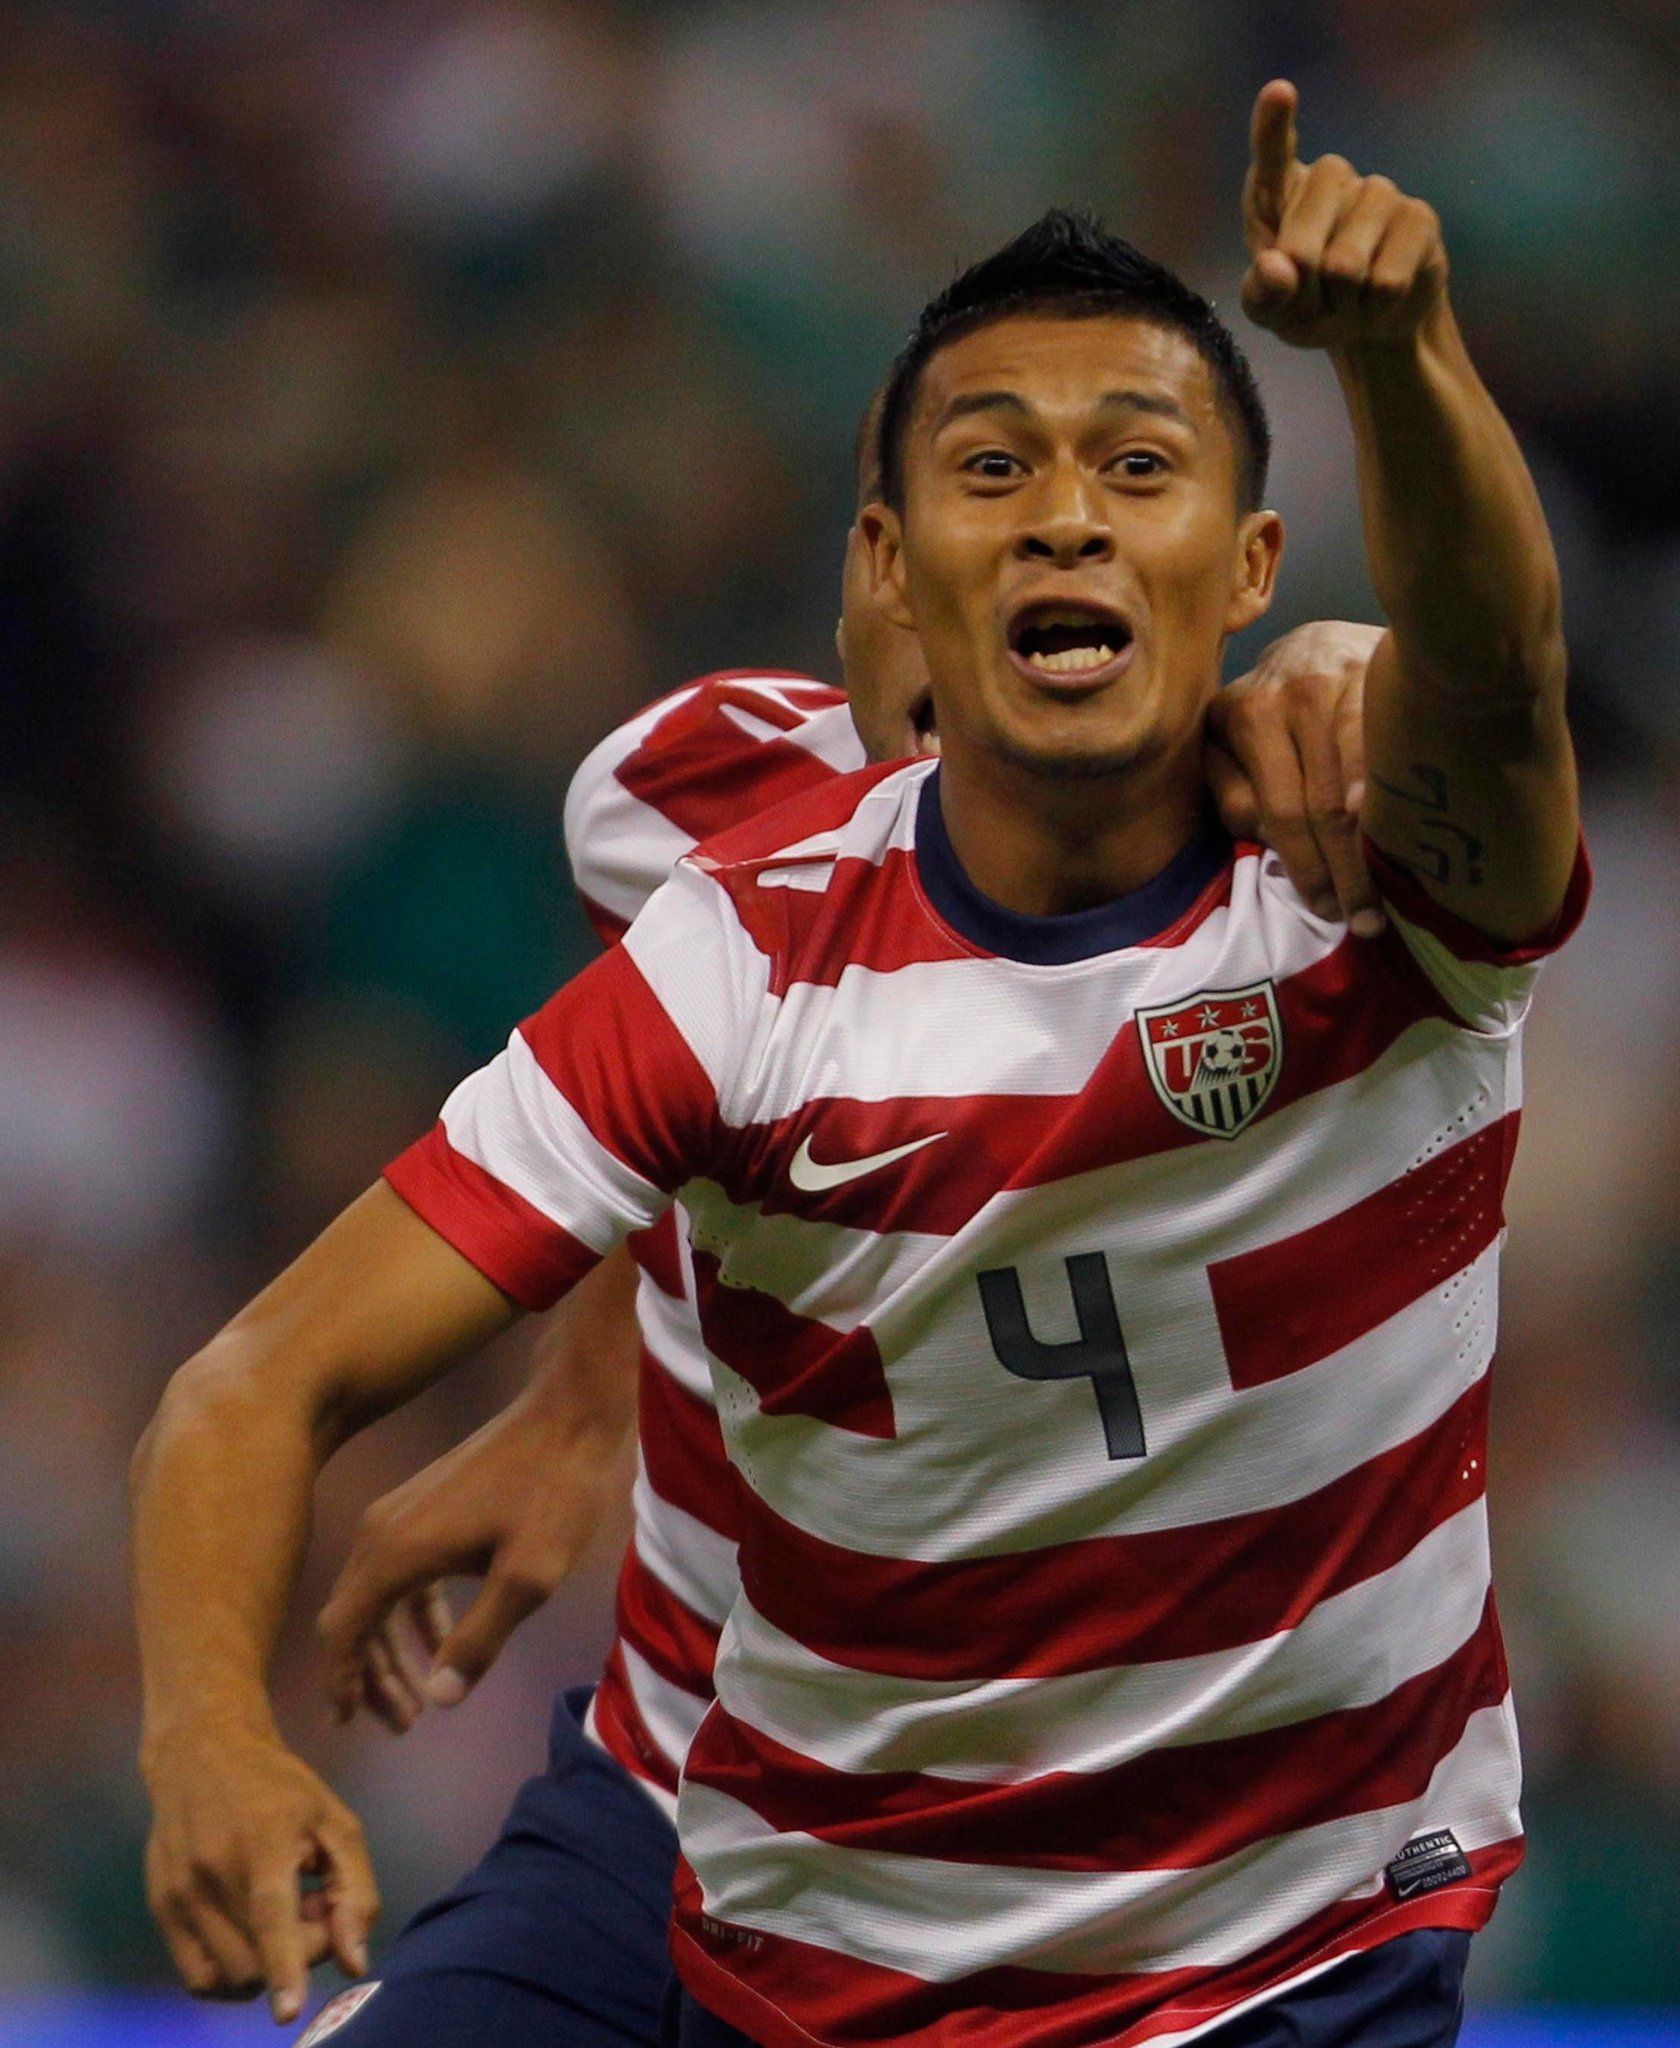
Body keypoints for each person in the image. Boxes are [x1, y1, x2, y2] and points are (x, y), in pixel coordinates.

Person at [133, 79, 1583, 2048]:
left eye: (1126, 469)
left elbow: (1492, 679)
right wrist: (569, 1416)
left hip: (1267, 1954)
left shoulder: (1348, 860)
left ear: (1241, 571)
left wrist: (1403, 379)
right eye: (986, 474)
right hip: (722, 1827)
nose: (1059, 517)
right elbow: (332, 1337)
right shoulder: (699, 854)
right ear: (883, 561)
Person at [134, 459, 1382, 2047]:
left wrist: (1344, 668)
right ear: (868, 569)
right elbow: (649, 1098)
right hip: (670, 1793)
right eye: (938, 534)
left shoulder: (1284, 859)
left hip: (1074, 1915)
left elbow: (1469, 719)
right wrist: (583, 1404)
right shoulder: (678, 800)